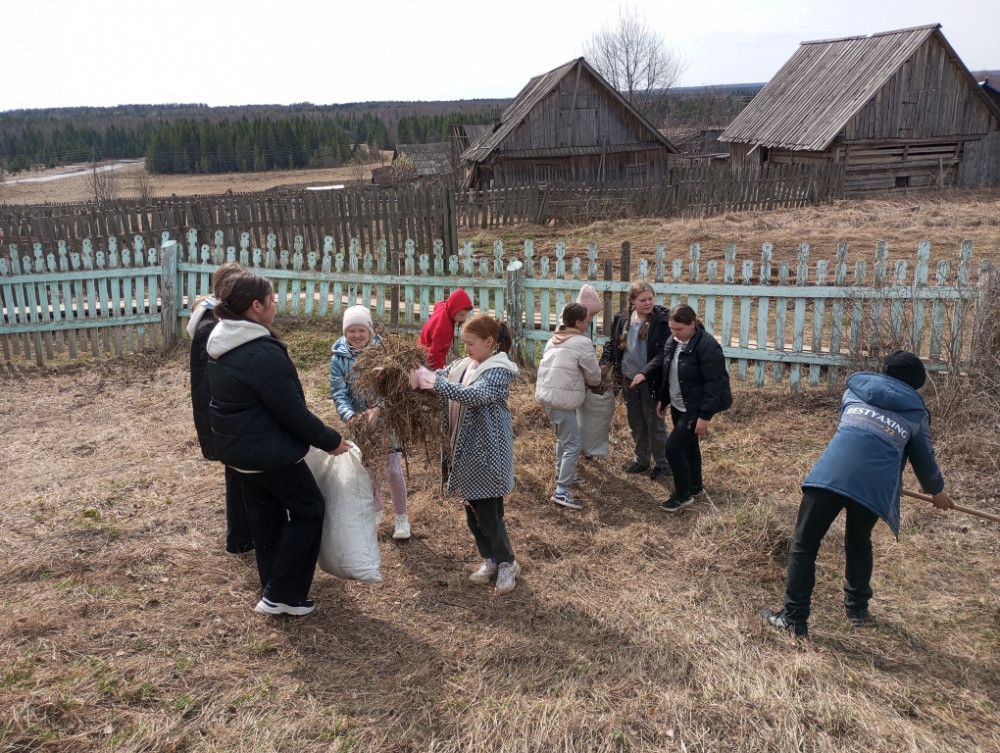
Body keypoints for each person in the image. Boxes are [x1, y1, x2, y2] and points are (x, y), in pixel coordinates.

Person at [760, 351, 954, 637]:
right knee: (859, 542)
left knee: (804, 545)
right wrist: (936, 491)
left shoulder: (853, 393)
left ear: (884, 372)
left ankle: (794, 619)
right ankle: (857, 610)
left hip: (830, 474)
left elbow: (855, 436)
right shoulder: (916, 414)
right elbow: (922, 459)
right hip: (872, 485)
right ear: (917, 384)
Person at [207, 270, 350, 617]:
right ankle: (284, 593)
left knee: (266, 516)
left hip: (239, 451)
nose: (275, 305)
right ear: (256, 306)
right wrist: (331, 441)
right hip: (268, 452)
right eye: (271, 300)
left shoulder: (223, 340)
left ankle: (271, 587)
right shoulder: (259, 353)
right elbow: (292, 413)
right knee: (309, 509)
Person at [408, 315, 521, 593]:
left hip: (487, 456)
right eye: (464, 342)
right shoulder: (463, 365)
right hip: (464, 454)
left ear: (489, 342)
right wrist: (418, 372)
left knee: (490, 515)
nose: (465, 348)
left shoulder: (498, 370)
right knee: (472, 513)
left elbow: (474, 395)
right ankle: (490, 558)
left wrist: (433, 383)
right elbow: (441, 374)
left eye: (471, 343)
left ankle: (508, 562)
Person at [631, 304, 732, 512]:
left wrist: (705, 415)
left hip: (694, 407)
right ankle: (695, 486)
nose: (674, 333)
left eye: (679, 329)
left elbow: (715, 384)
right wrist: (663, 399)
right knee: (689, 446)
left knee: (674, 449)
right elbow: (667, 368)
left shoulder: (708, 347)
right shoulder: (674, 341)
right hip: (679, 403)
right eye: (671, 328)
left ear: (692, 325)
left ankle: (683, 495)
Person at [186, 261, 254, 555]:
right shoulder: (213, 326)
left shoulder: (212, 319)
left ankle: (242, 538)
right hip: (227, 414)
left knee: (240, 475)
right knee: (240, 476)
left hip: (225, 414)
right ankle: (240, 539)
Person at [329, 304, 410, 540]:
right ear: (345, 332)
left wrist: (378, 408)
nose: (356, 335)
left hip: (386, 419)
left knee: (393, 468)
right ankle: (376, 512)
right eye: (351, 330)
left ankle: (402, 518)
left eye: (361, 330)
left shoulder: (382, 352)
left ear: (370, 331)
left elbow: (393, 386)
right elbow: (339, 393)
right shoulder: (339, 358)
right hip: (360, 422)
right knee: (370, 469)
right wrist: (350, 416)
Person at [600, 281, 672, 480]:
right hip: (628, 378)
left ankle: (663, 463)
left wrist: (645, 373)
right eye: (643, 300)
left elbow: (663, 353)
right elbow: (612, 343)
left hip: (652, 380)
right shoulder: (621, 319)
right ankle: (641, 459)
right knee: (636, 420)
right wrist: (604, 363)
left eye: (650, 299)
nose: (648, 303)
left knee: (654, 421)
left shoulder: (662, 321)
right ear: (632, 300)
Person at [535, 302, 602, 510]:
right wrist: (597, 382)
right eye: (587, 321)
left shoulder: (554, 339)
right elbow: (594, 374)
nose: (588, 324)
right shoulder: (581, 342)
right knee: (573, 444)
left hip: (548, 396)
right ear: (578, 322)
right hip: (562, 400)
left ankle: (563, 472)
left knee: (563, 439)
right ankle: (562, 491)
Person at [419, 288, 474, 369]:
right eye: (461, 315)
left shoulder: (444, 308)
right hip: (426, 358)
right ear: (453, 309)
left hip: (423, 347)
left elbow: (438, 304)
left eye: (465, 315)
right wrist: (443, 370)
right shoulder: (444, 328)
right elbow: (433, 354)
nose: (463, 318)